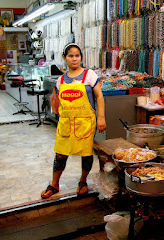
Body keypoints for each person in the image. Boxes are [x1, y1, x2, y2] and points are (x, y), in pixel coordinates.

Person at [41, 43, 106, 199]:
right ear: (65, 58)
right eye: (71, 56)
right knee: (60, 154)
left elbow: (99, 96)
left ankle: (83, 181)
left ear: (81, 58)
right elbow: (57, 103)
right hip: (66, 124)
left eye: (77, 55)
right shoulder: (60, 80)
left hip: (85, 123)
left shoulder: (89, 75)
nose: (74, 59)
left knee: (86, 154)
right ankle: (54, 184)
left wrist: (101, 118)